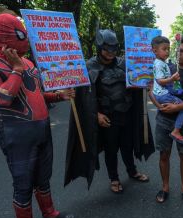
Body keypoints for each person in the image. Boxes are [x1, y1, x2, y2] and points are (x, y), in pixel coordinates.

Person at [0, 14, 75, 218]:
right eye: (21, 35)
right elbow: (1, 98)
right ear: (4, 37)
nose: (25, 40)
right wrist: (16, 69)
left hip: (42, 129)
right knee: (23, 182)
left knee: (43, 177)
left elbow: (36, 95)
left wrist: (59, 96)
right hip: (16, 134)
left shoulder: (29, 62)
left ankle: (49, 212)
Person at [65, 29, 155, 193]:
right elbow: (85, 97)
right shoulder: (90, 66)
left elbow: (136, 83)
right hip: (106, 117)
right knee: (111, 149)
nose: (111, 53)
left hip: (126, 114)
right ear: (99, 48)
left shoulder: (123, 63)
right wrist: (97, 115)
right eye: (107, 49)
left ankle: (132, 171)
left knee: (128, 146)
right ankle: (114, 178)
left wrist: (144, 81)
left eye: (114, 49)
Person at [149, 35, 183, 204]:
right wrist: (158, 105)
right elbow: (152, 87)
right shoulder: (167, 68)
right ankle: (165, 187)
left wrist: (177, 108)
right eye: (178, 50)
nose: (179, 54)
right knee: (164, 155)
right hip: (163, 120)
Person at [151, 36, 183, 143]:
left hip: (162, 92)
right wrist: (172, 78)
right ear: (155, 51)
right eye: (164, 49)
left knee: (178, 91)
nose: (167, 51)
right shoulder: (159, 64)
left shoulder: (162, 63)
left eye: (168, 49)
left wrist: (173, 81)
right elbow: (160, 81)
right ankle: (176, 130)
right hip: (163, 94)